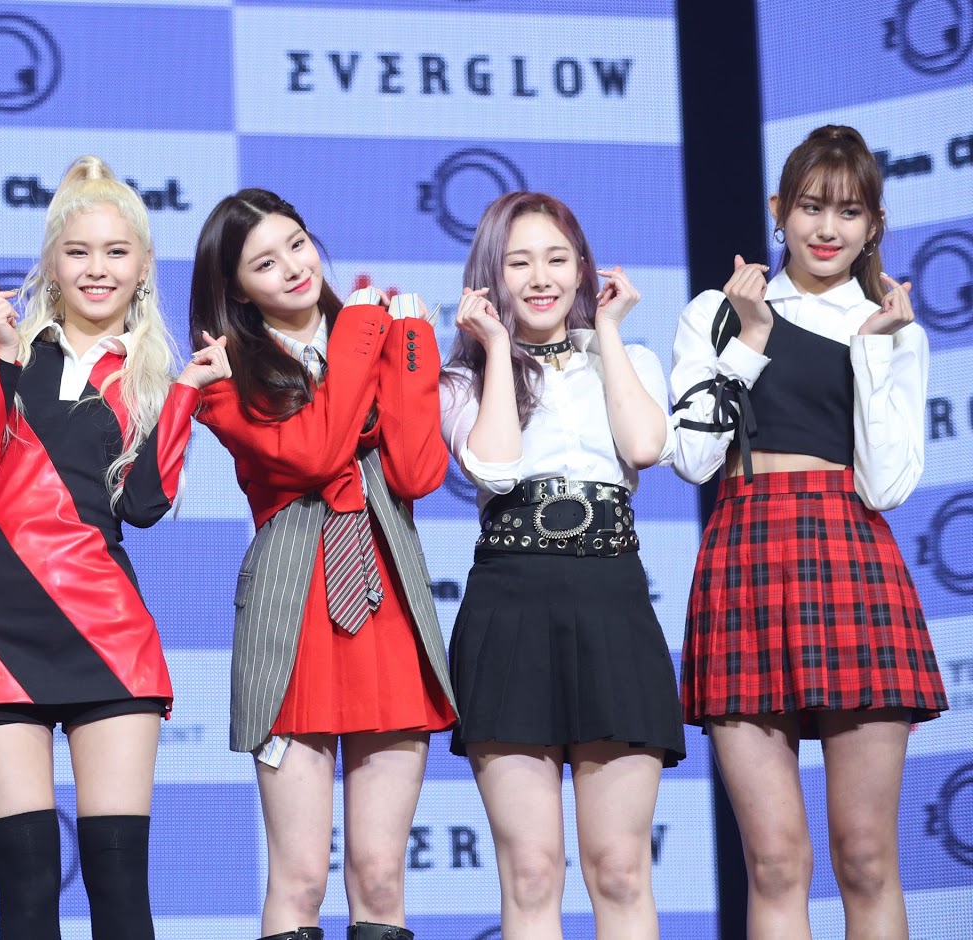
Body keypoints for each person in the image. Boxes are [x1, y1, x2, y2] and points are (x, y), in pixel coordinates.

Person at [0, 155, 229, 940]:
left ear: (143, 267)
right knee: (27, 891)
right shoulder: (5, 351)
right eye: (79, 252)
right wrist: (1, 358)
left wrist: (186, 395)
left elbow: (145, 505)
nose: (98, 269)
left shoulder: (153, 374)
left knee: (120, 890)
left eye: (116, 252)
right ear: (52, 265)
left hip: (107, 633)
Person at [670, 124, 945, 939]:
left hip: (850, 558)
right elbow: (692, 458)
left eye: (849, 212)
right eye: (811, 207)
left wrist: (873, 351)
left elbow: (886, 486)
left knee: (866, 857)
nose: (827, 229)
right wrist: (750, 339)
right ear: (778, 210)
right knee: (776, 861)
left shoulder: (894, 329)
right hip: (746, 557)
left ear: (874, 225)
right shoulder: (717, 313)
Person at [189, 187, 455, 940]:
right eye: (264, 264)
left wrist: (411, 343)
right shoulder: (225, 374)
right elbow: (313, 452)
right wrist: (367, 335)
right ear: (239, 290)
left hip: (385, 605)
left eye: (297, 245)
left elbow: (415, 472)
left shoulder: (380, 337)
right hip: (292, 619)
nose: (293, 268)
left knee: (380, 875)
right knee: (300, 877)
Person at [440, 191, 685, 939]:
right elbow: (494, 467)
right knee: (532, 871)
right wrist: (494, 349)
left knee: (621, 868)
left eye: (556, 259)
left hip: (612, 602)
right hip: (510, 607)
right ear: (491, 275)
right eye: (519, 262)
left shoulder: (631, 357)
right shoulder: (464, 378)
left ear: (583, 268)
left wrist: (607, 332)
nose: (540, 278)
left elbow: (645, 447)